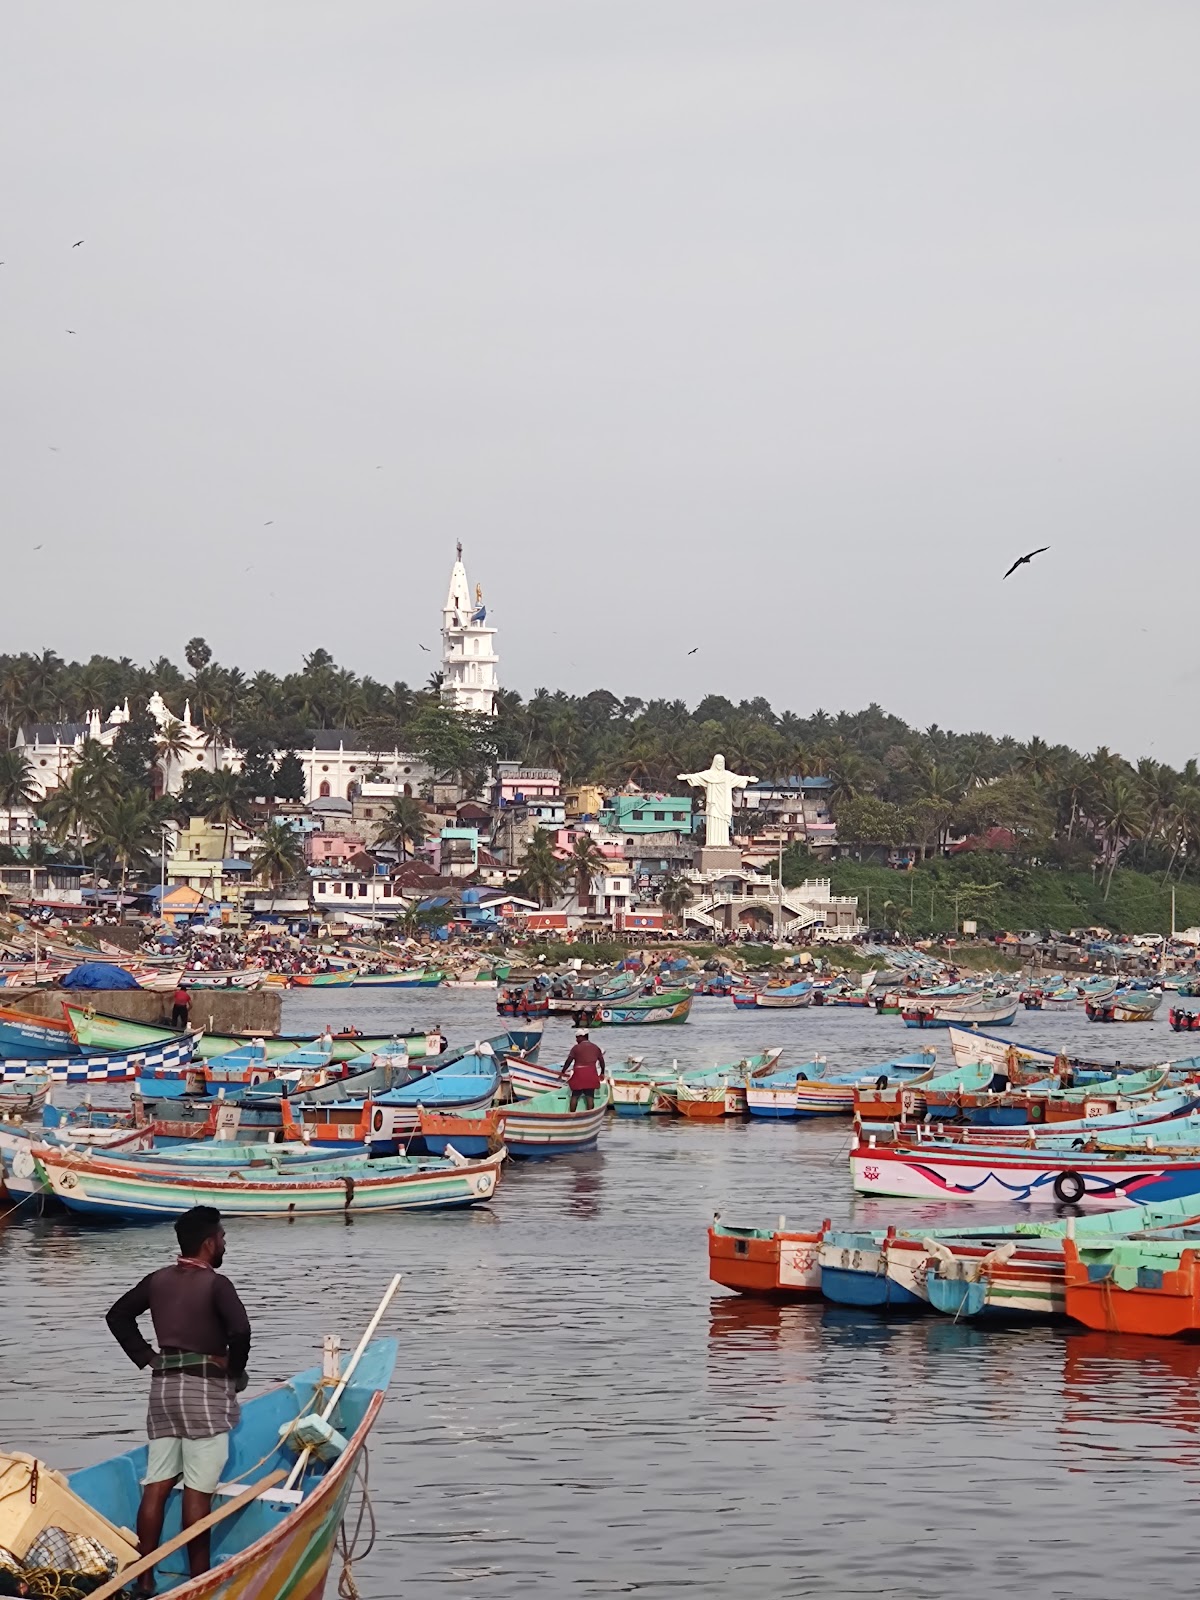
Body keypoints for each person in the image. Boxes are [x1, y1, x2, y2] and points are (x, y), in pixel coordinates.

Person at [106, 1207, 251, 1592]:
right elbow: (240, 1330)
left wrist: (148, 1357)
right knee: (197, 1491)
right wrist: (233, 1371)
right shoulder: (217, 1284)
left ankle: (144, 1577)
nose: (224, 1242)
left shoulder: (157, 1280)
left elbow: (117, 1316)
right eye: (221, 1236)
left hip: (163, 1391)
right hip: (203, 1392)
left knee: (156, 1484)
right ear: (208, 1243)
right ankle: (199, 1580)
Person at [561, 1029, 606, 1111]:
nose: (576, 1040)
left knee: (575, 1096)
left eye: (577, 1038)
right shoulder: (596, 1047)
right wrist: (602, 1073)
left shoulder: (576, 1048)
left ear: (582, 1037)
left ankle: (572, 1114)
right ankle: (590, 1114)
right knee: (590, 1096)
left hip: (579, 1075)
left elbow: (568, 1061)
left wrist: (563, 1071)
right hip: (591, 1075)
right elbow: (602, 1062)